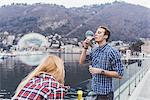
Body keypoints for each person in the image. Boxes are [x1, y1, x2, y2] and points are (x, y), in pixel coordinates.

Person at [79, 26, 124, 100]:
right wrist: (85, 47)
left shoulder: (112, 52)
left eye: (99, 32)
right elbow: (81, 61)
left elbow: (120, 74)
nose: (95, 34)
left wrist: (100, 71)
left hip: (106, 95)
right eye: (96, 32)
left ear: (105, 36)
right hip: (94, 92)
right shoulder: (95, 50)